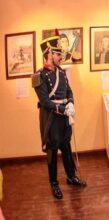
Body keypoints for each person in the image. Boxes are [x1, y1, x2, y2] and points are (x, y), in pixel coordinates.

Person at [31, 34, 86, 199]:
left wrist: (71, 102)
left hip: (64, 117)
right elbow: (45, 101)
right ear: (49, 54)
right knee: (52, 152)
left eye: (61, 54)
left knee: (67, 148)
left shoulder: (62, 73)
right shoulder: (38, 76)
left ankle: (71, 176)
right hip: (51, 118)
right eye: (58, 54)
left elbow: (69, 90)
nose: (61, 57)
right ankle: (54, 184)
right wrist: (63, 109)